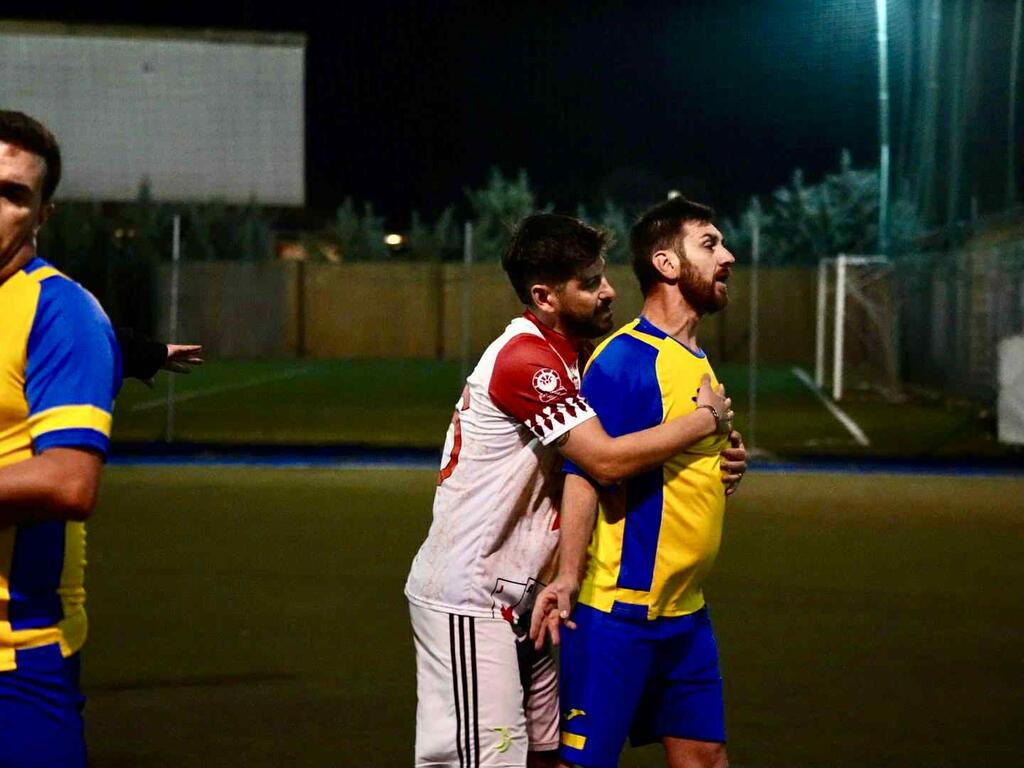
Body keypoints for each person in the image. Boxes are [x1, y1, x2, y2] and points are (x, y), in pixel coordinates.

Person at [405, 213, 745, 768]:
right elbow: (601, 462)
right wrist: (705, 422)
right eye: (589, 283)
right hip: (474, 595)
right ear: (544, 297)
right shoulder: (526, 359)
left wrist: (717, 459)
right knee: (487, 760)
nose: (608, 290)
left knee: (542, 756)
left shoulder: (579, 355)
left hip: (531, 596)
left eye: (603, 275)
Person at [530, 197, 742, 768]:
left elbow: (676, 458)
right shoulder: (626, 360)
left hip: (685, 612)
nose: (727, 256)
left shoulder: (694, 359)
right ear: (666, 264)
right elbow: (587, 471)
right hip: (619, 616)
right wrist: (568, 577)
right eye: (710, 244)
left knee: (704, 755)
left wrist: (725, 460)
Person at [0, 110, 121, 766]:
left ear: (40, 216)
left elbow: (69, 482)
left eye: (12, 194)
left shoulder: (61, 311)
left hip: (15, 663)